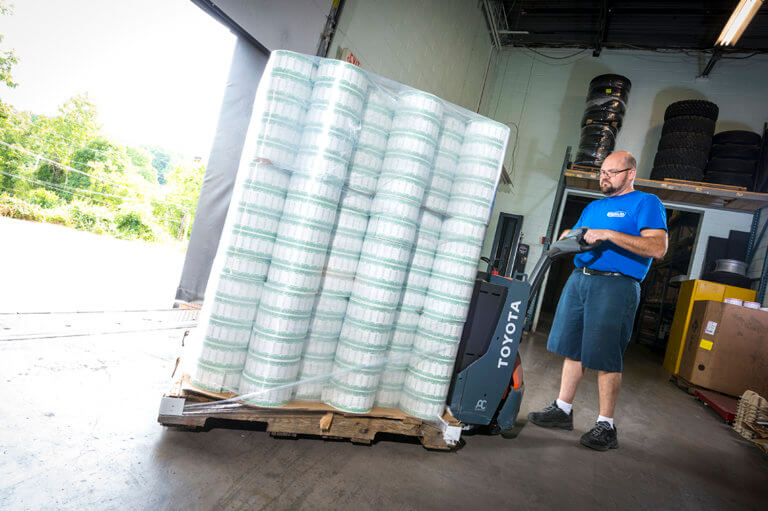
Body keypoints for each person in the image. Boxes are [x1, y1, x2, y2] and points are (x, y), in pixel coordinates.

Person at [528, 150, 668, 451]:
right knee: (572, 347)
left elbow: (657, 248)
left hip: (616, 285)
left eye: (611, 172)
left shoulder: (646, 203)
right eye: (601, 172)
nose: (603, 177)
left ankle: (606, 425)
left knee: (606, 355)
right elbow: (576, 234)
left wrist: (609, 234)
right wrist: (570, 235)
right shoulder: (594, 206)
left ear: (630, 173)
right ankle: (562, 410)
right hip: (581, 279)